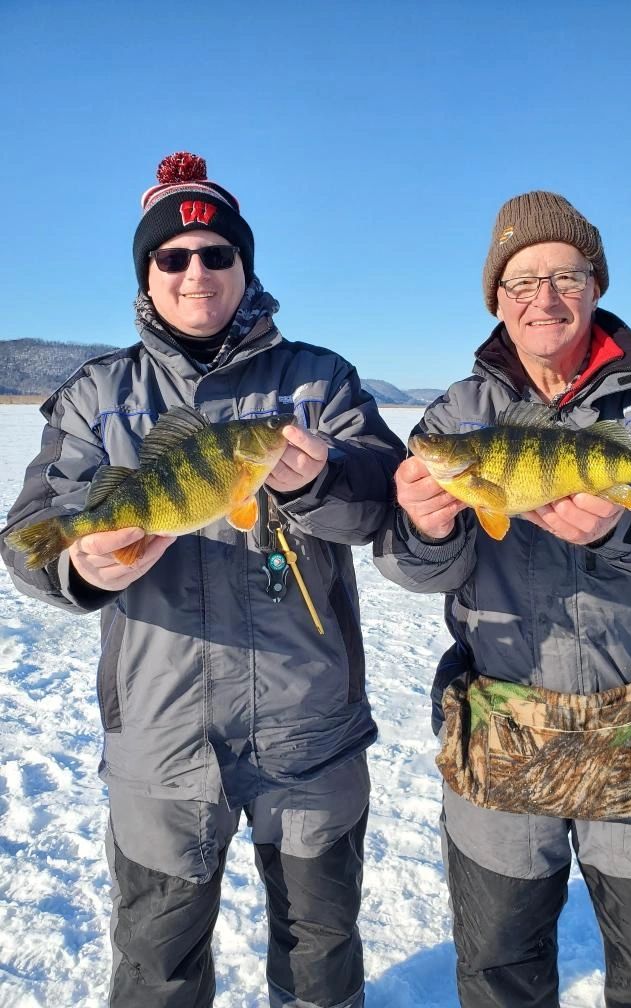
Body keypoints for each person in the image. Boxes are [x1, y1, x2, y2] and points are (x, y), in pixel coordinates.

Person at [1, 151, 405, 1008]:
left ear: (245, 267)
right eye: (173, 256)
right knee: (156, 969)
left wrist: (321, 479)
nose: (197, 271)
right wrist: (78, 564)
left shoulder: (318, 381)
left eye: (218, 253)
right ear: (148, 273)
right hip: (161, 741)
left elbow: (386, 501)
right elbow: (29, 537)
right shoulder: (94, 394)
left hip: (310, 734)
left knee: (321, 957)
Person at [374, 190, 631, 1007]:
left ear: (597, 284)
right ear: (497, 300)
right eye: (521, 282)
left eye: (567, 275)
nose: (544, 299)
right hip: (501, 736)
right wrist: (430, 531)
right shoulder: (456, 418)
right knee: (501, 974)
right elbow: (409, 567)